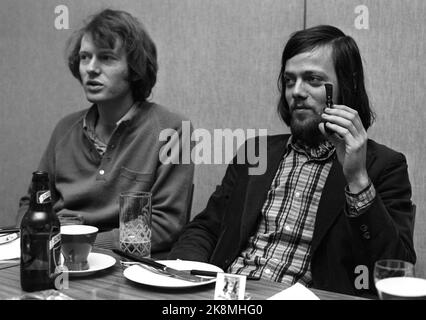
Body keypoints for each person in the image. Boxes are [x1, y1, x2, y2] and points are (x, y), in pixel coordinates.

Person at [169, 25, 416, 296]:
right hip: (230, 295)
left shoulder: (383, 166)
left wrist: (357, 179)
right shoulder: (258, 151)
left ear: (345, 86)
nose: (296, 91)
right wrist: (182, 272)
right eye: (289, 80)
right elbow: (206, 227)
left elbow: (394, 270)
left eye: (312, 80)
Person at [17, 9, 194, 253]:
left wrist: (83, 243)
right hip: (53, 254)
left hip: (124, 265)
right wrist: (31, 241)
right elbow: (32, 203)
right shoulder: (64, 129)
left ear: (134, 68)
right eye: (84, 57)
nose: (91, 68)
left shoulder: (171, 130)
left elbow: (165, 226)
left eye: (107, 58)